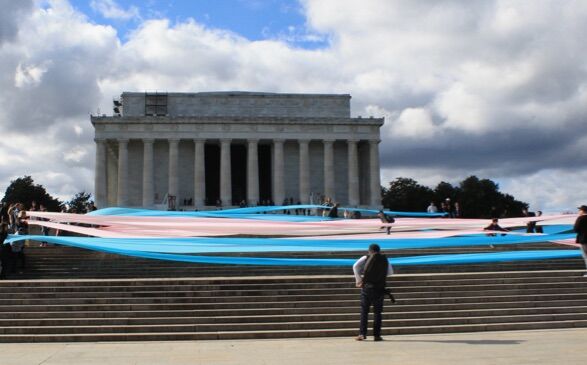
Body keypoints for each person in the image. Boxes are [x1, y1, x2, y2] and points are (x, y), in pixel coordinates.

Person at [353, 243, 394, 341]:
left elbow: (355, 266)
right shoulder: (385, 259)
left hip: (367, 288)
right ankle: (377, 335)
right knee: (378, 313)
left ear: (369, 250)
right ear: (379, 250)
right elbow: (390, 273)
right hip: (379, 289)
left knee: (364, 311)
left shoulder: (365, 257)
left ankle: (362, 334)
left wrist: (358, 280)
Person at [573, 205, 587, 277]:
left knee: (586, 256)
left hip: (584, 239)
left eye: (579, 210)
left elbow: (575, 229)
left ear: (582, 211)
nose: (579, 211)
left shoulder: (580, 218)